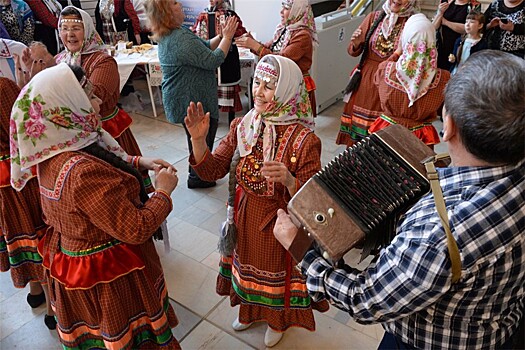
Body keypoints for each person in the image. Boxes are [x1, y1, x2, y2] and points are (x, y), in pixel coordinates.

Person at [274, 50, 524, 349]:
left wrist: (301, 251)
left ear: (449, 126)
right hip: (500, 323)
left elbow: (364, 299)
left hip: (428, 341)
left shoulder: (435, 238)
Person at [9, 63, 181, 349]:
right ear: (66, 107)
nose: (99, 101)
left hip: (77, 261)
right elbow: (137, 228)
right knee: (127, 335)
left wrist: (139, 162)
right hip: (108, 275)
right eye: (89, 95)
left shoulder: (57, 147)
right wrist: (163, 192)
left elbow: (102, 157)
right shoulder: (82, 172)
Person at [184, 55, 329, 348]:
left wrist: (290, 181)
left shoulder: (304, 140)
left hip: (280, 225)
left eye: (270, 87)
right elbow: (213, 170)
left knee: (274, 272)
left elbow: (317, 201)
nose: (259, 92)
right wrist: (199, 141)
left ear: (288, 91)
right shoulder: (243, 125)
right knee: (246, 265)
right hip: (244, 216)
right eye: (257, 83)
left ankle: (277, 321)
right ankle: (250, 311)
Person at [55, 6, 153, 190]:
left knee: (117, 184)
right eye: (64, 28)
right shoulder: (59, 59)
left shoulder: (102, 61)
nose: (69, 34)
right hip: (75, 135)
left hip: (107, 131)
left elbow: (94, 97)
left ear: (88, 29)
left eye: (76, 28)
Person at [144, 0, 238, 189]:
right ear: (166, 12)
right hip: (191, 100)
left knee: (196, 138)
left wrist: (220, 36)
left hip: (186, 98)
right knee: (201, 137)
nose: (179, 5)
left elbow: (203, 47)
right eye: (175, 3)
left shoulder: (175, 33)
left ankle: (197, 173)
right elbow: (214, 60)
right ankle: (199, 177)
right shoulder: (178, 38)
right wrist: (227, 37)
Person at [0, 77, 56, 330]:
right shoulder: (2, 86)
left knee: (19, 231)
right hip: (17, 175)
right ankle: (54, 304)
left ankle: (35, 288)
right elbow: (20, 128)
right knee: (37, 230)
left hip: (5, 182)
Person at [336, 0, 417, 147]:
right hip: (366, 83)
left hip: (391, 85)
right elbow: (352, 50)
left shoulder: (413, 23)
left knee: (381, 135)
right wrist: (356, 43)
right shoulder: (373, 17)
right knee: (357, 138)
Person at [369, 14, 450, 148]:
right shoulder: (444, 78)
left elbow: (376, 80)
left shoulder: (386, 70)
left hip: (387, 132)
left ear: (406, 38)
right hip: (420, 139)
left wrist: (397, 53)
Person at [235, 0, 319, 117]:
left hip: (295, 86)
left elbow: (283, 60)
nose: (281, 12)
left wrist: (254, 45)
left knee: (292, 123)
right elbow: (270, 48)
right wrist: (252, 42)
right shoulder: (284, 30)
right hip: (282, 83)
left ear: (297, 11)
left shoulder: (303, 35)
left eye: (285, 8)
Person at [192, 0, 248, 125]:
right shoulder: (202, 15)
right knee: (211, 94)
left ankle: (231, 123)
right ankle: (212, 119)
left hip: (227, 61)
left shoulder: (230, 15)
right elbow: (196, 34)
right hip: (208, 61)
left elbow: (241, 33)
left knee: (229, 93)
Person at [433, 0, 480, 70]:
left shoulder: (474, 5)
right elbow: (434, 27)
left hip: (459, 46)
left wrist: (446, 22)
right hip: (441, 44)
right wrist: (440, 13)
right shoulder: (445, 2)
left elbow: (467, 28)